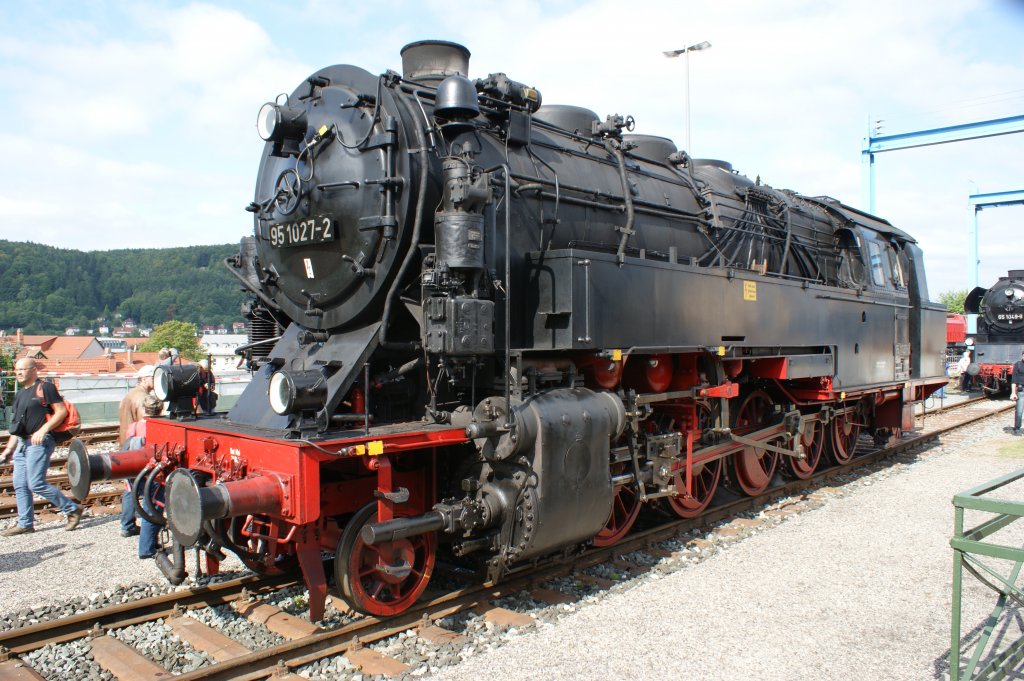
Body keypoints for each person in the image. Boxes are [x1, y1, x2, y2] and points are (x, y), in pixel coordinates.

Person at [0, 359, 82, 535]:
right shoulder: (20, 394)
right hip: (22, 443)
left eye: (22, 369)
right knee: (20, 484)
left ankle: (72, 509)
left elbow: (61, 411)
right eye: (16, 370)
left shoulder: (45, 388)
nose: (18, 373)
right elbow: (16, 427)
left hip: (39, 442)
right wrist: (8, 450)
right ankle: (25, 524)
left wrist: (43, 430)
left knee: (36, 483)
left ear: (34, 370)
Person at [117, 365, 155, 537]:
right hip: (137, 448)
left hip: (127, 444)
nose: (156, 380)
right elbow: (146, 424)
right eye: (153, 377)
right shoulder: (142, 398)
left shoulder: (129, 395)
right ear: (144, 379)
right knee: (143, 487)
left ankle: (127, 524)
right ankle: (133, 525)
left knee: (130, 486)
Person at [124, 394, 164, 558]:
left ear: (143, 409)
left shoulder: (133, 427)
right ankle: (146, 549)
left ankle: (147, 540)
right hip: (153, 475)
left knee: (148, 507)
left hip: (137, 472)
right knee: (152, 510)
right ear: (160, 409)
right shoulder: (161, 427)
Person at [1011, 350, 1024, 435]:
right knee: (1019, 410)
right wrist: (1013, 392)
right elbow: (1014, 380)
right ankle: (1017, 428)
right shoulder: (1018, 364)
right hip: (1021, 389)